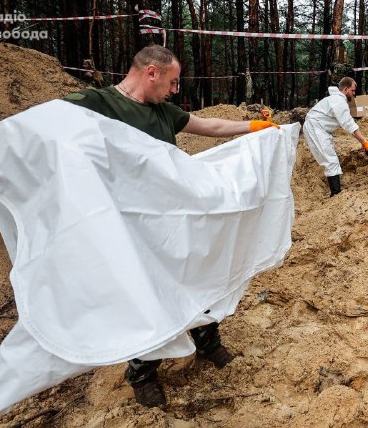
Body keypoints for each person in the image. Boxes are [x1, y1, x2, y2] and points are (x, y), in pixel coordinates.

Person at [63, 45, 279, 408]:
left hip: (176, 218)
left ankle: (207, 340)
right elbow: (46, 127)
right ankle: (143, 371)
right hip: (133, 227)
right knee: (148, 295)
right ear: (151, 72)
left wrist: (252, 127)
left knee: (199, 275)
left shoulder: (163, 111)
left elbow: (208, 125)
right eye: (172, 81)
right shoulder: (96, 103)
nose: (175, 90)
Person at [303, 77, 368, 196]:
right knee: (330, 160)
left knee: (331, 159)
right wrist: (364, 142)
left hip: (319, 129)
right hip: (316, 128)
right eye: (353, 90)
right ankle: (335, 193)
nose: (354, 93)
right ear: (345, 89)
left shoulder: (335, 100)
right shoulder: (339, 101)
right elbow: (349, 124)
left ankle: (335, 191)